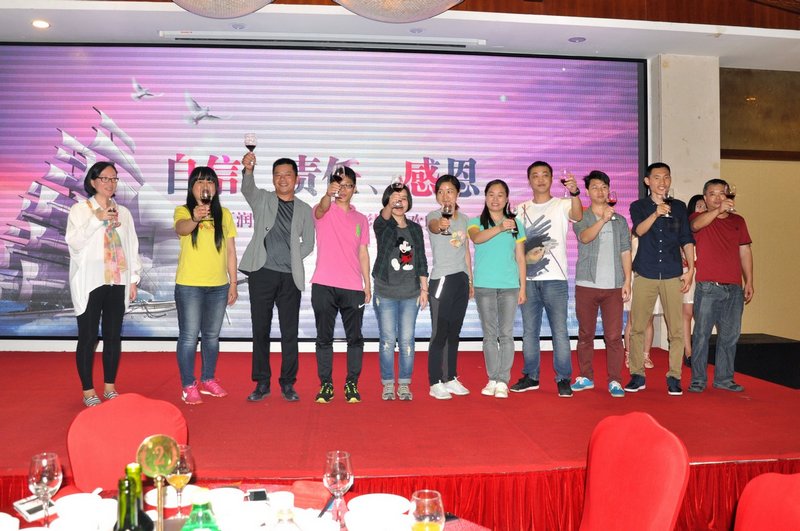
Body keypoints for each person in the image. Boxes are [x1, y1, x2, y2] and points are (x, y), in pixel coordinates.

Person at [239, 154, 315, 403]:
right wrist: (248, 170)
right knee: (260, 329)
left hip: (290, 277)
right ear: (273, 178)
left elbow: (309, 243)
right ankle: (262, 382)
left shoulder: (304, 210)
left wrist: (292, 256)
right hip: (261, 273)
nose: (282, 179)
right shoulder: (263, 198)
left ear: (296, 179)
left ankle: (288, 383)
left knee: (289, 332)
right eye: (278, 175)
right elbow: (247, 189)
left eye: (287, 175)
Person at [66, 162, 141, 407]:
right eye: (105, 178)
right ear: (93, 181)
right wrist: (96, 219)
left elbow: (132, 246)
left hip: (117, 280)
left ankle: (109, 387)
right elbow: (74, 243)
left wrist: (133, 279)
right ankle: (88, 391)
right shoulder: (80, 210)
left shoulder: (124, 212)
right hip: (91, 281)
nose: (110, 183)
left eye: (114, 179)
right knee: (88, 337)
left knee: (112, 336)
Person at [511, 161, 583, 398]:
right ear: (529, 180)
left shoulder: (562, 204)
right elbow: (516, 245)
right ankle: (530, 376)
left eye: (545, 175)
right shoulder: (520, 209)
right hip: (528, 281)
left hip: (556, 280)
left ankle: (563, 378)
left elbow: (578, 215)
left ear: (552, 179)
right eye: (535, 175)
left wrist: (575, 192)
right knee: (529, 332)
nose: (540, 179)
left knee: (559, 331)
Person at [626, 162, 694, 396]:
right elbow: (639, 231)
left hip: (673, 273)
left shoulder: (679, 207)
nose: (662, 182)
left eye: (666, 177)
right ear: (647, 181)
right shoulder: (639, 206)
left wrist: (691, 268)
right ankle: (637, 374)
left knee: (676, 330)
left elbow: (686, 239)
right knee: (637, 327)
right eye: (656, 177)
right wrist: (656, 213)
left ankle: (674, 377)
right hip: (645, 272)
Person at [173, 166, 238, 405]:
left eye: (209, 182)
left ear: (216, 187)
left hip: (218, 286)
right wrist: (195, 217)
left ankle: (208, 379)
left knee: (211, 337)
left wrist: (233, 283)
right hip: (189, 285)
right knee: (189, 337)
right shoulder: (183, 211)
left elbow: (230, 251)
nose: (205, 186)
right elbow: (181, 229)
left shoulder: (225, 214)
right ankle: (188, 385)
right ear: (192, 187)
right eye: (199, 182)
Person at [311, 166, 371, 403]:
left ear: (354, 188)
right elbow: (321, 208)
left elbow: (363, 253)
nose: (343, 190)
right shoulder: (323, 210)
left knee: (355, 338)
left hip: (353, 286)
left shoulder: (361, 219)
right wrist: (327, 195)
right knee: (323, 338)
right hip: (323, 284)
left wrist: (367, 284)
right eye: (339, 185)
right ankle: (326, 384)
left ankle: (351, 383)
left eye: (348, 185)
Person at [688, 179, 754, 393]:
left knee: (730, 335)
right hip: (708, 287)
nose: (718, 198)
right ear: (705, 198)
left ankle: (724, 379)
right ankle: (698, 380)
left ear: (728, 196)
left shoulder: (738, 221)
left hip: (734, 288)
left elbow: (745, 251)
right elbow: (695, 226)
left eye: (722, 193)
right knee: (701, 335)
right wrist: (717, 211)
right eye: (712, 194)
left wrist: (749, 281)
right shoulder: (698, 217)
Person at [570, 171, 632, 398]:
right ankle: (586, 376)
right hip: (586, 283)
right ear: (587, 192)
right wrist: (603, 220)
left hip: (613, 285)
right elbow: (585, 237)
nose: (600, 191)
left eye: (604, 187)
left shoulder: (620, 220)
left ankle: (615, 380)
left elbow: (625, 251)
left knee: (614, 336)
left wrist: (627, 280)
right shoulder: (581, 216)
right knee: (585, 334)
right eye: (595, 187)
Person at [468, 179, 526, 399]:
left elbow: (520, 258)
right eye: (491, 194)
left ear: (507, 199)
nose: (495, 199)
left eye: (500, 195)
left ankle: (503, 380)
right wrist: (500, 227)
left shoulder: (516, 224)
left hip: (510, 286)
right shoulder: (475, 222)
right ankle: (492, 378)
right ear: (485, 197)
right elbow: (477, 239)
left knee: (506, 334)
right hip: (484, 285)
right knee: (490, 335)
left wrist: (523, 287)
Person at [372, 183, 429, 401]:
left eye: (403, 198)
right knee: (387, 340)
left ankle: (404, 384)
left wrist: (424, 289)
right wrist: (391, 203)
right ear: (387, 201)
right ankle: (387, 383)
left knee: (407, 341)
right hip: (385, 292)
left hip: (410, 293)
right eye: (395, 198)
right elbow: (383, 216)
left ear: (409, 202)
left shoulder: (415, 228)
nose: (399, 202)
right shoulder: (383, 225)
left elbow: (421, 260)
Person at [426, 175, 473, 400]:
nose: (445, 196)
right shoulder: (433, 217)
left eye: (450, 191)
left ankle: (450, 377)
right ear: (436, 195)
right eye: (441, 191)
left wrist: (470, 280)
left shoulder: (465, 219)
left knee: (454, 332)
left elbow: (466, 251)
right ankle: (435, 381)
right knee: (440, 333)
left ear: (457, 194)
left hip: (461, 280)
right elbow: (435, 227)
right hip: (442, 280)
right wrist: (441, 224)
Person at [682, 194, 706, 368]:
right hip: (688, 272)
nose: (702, 209)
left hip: (706, 273)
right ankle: (688, 351)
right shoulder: (686, 227)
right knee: (687, 313)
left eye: (705, 206)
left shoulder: (712, 226)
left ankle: (699, 352)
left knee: (702, 315)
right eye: (699, 206)